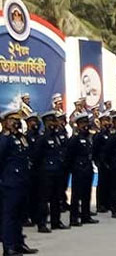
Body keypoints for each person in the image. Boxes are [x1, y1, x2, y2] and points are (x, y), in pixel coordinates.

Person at [0, 109, 39, 256]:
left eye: (17, 120)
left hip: (23, 181)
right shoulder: (5, 138)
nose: (15, 123)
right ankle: (8, 247)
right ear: (5, 122)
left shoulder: (21, 137)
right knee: (9, 216)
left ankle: (19, 243)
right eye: (12, 120)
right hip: (10, 183)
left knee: (19, 215)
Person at [33, 111, 68, 232]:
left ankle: (56, 221)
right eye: (50, 122)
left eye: (54, 121)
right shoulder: (42, 138)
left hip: (57, 171)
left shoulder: (56, 137)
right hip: (45, 173)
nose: (53, 124)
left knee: (56, 198)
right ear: (45, 123)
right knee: (43, 199)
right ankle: (42, 223)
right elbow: (36, 157)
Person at [65, 113, 99, 227]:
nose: (85, 126)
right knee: (76, 195)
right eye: (83, 123)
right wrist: (73, 168)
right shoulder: (75, 138)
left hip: (87, 168)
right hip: (78, 169)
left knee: (86, 194)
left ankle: (86, 216)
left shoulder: (88, 137)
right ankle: (74, 218)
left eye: (86, 123)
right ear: (78, 125)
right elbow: (69, 155)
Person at [93, 112, 112, 213]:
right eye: (104, 121)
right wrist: (97, 162)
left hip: (110, 162)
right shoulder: (98, 135)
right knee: (102, 184)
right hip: (102, 162)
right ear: (100, 122)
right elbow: (95, 150)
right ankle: (100, 204)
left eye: (108, 120)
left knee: (109, 183)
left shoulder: (110, 134)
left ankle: (108, 203)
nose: (107, 123)